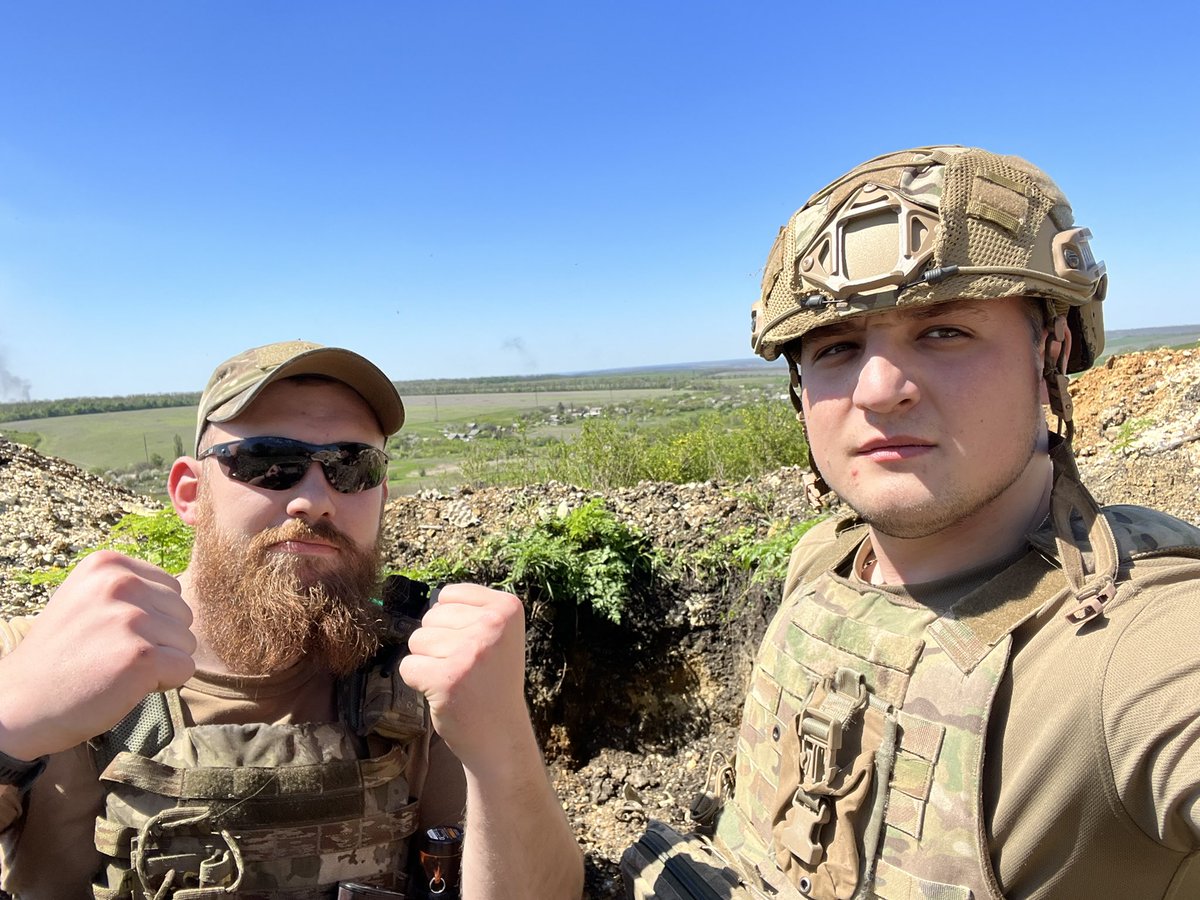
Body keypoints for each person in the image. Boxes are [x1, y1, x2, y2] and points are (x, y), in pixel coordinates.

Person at [625, 146, 1200, 899]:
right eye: (836, 348)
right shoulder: (823, 562)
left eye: (944, 333)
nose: (879, 388)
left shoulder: (1133, 644)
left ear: (1051, 350)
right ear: (800, 393)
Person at [0, 340, 584, 899]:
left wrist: (503, 743)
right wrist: (12, 726)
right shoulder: (41, 658)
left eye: (352, 467)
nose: (315, 498)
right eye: (267, 462)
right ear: (189, 493)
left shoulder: (422, 670)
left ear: (381, 495)